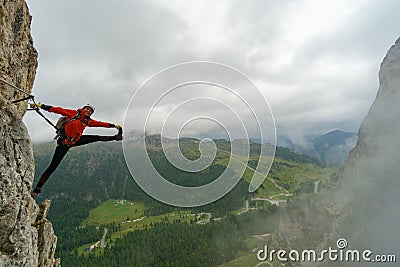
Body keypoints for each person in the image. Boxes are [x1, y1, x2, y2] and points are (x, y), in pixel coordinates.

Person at [30, 103, 123, 199]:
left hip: (75, 141)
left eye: (91, 111)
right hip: (64, 143)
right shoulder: (73, 113)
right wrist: (41, 106)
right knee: (53, 166)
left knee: (96, 137)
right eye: (87, 109)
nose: (89, 111)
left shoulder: (88, 121)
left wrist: (114, 126)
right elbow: (58, 110)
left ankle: (116, 137)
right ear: (83, 109)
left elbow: (100, 124)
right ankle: (37, 189)